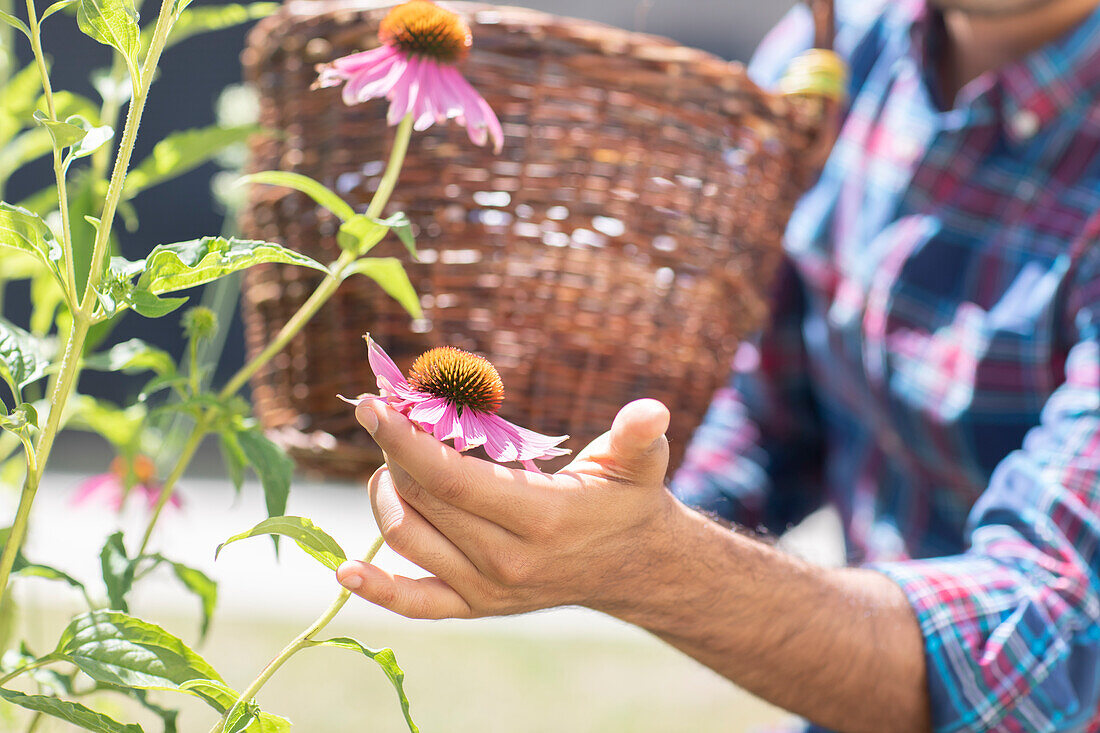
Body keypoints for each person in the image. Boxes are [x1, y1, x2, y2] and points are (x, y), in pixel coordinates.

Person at [335, 0, 1100, 729]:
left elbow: (1047, 655)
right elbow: (765, 407)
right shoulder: (838, 52)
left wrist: (646, 559)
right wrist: (576, 489)